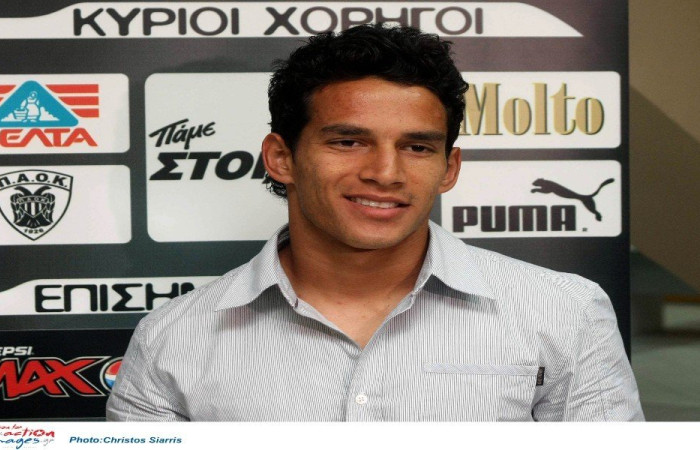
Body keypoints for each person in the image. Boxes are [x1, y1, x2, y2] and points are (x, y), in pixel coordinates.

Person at [106, 25, 643, 421]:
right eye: (348, 141)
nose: (385, 173)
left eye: (417, 147)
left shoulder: (565, 312)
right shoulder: (174, 337)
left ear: (449, 168)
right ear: (281, 158)